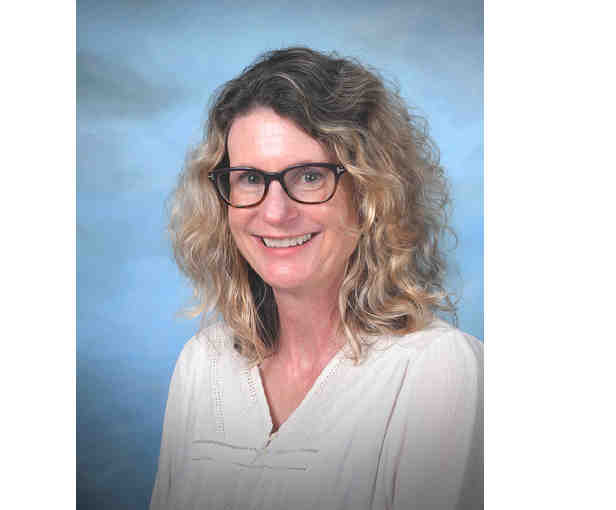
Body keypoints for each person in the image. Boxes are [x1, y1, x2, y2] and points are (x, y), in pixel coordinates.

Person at [151, 47, 483, 510]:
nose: (275, 212)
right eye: (249, 178)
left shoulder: (436, 370)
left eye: (309, 176)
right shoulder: (203, 364)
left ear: (371, 194)